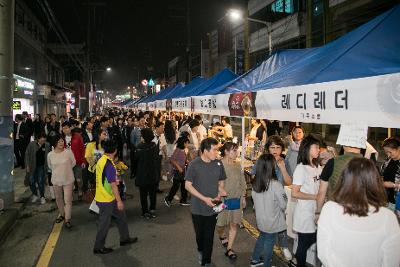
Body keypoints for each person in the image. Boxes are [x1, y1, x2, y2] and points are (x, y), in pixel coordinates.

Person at [317, 158, 400, 267]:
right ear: (375, 182)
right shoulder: (388, 217)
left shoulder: (329, 209)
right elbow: (391, 261)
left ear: (344, 179)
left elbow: (323, 253)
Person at [185, 137, 227, 267]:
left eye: (217, 150)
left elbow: (221, 180)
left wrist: (220, 190)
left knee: (209, 237)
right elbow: (188, 185)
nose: (217, 153)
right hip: (197, 208)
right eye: (214, 150)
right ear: (205, 150)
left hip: (213, 208)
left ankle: (206, 262)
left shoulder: (218, 164)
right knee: (200, 236)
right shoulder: (194, 164)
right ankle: (200, 250)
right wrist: (204, 199)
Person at [93, 140, 138, 254]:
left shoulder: (102, 160)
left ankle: (124, 238)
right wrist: (119, 201)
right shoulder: (109, 164)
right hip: (107, 199)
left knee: (121, 216)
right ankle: (98, 247)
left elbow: (106, 180)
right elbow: (113, 185)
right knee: (105, 223)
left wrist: (114, 180)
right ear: (115, 151)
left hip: (104, 196)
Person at [250, 154, 288, 267]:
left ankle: (255, 259)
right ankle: (266, 264)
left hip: (261, 220)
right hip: (273, 221)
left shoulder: (255, 183)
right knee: (269, 243)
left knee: (262, 237)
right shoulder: (275, 184)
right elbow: (283, 204)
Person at [291, 135, 322, 267]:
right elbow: (294, 192)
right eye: (316, 147)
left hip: (315, 211)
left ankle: (295, 261)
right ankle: (297, 262)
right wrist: (315, 197)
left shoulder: (317, 166)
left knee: (310, 241)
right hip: (305, 214)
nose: (319, 150)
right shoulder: (301, 168)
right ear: (308, 149)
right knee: (303, 245)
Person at [215, 142, 246, 260]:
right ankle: (222, 235)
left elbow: (242, 182)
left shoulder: (237, 165)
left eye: (236, 150)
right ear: (226, 152)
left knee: (234, 224)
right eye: (234, 150)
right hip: (223, 200)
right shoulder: (219, 164)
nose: (236, 152)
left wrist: (243, 196)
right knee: (220, 225)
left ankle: (229, 249)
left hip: (236, 199)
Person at [316, 144, 362, 216]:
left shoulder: (333, 162)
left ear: (343, 145)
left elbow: (322, 191)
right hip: (358, 213)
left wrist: (318, 212)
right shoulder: (369, 165)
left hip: (334, 212)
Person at [47, 135, 76, 229]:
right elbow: (50, 166)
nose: (61, 143)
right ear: (54, 143)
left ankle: (67, 219)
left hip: (68, 179)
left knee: (67, 200)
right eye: (59, 141)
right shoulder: (50, 155)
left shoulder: (68, 152)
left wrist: (65, 170)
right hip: (56, 179)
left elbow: (73, 162)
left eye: (62, 141)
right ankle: (62, 214)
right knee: (59, 198)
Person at [134, 128, 159, 219]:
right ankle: (152, 209)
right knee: (152, 193)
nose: (141, 137)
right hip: (152, 173)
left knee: (143, 194)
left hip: (142, 174)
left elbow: (136, 158)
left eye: (141, 136)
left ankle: (145, 211)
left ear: (144, 137)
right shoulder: (154, 145)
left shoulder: (139, 147)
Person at [25, 132, 51, 205]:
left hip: (41, 166)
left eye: (44, 140)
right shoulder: (32, 144)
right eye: (42, 140)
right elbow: (26, 154)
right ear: (38, 139)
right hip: (32, 166)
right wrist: (27, 165)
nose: (43, 142)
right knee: (31, 181)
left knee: (40, 181)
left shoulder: (47, 145)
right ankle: (35, 194)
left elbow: (49, 155)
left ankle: (42, 196)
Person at [164, 136, 190, 207]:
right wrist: (178, 167)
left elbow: (183, 159)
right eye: (187, 143)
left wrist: (186, 161)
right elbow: (172, 159)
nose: (188, 144)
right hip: (177, 171)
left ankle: (183, 200)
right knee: (176, 186)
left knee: (184, 186)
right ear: (183, 143)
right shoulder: (177, 150)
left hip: (183, 170)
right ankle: (168, 199)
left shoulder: (184, 150)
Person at [381, 137, 400, 208]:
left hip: (398, 202)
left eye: (390, 152)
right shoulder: (387, 161)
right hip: (386, 201)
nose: (388, 155)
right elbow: (382, 175)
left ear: (398, 148)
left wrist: (394, 185)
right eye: (386, 152)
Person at [153, 121, 167, 193]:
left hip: (159, 156)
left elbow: (164, 146)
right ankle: (152, 187)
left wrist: (166, 155)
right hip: (153, 157)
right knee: (153, 172)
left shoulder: (162, 135)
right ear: (156, 128)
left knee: (158, 172)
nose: (163, 129)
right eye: (161, 128)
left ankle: (156, 187)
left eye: (163, 128)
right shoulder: (152, 135)